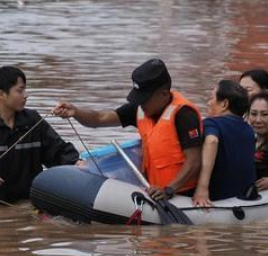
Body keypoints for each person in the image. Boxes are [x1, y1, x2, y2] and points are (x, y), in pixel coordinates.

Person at [53, 59, 203, 201]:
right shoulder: (139, 108)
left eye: (144, 99)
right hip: (154, 191)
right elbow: (100, 118)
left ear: (163, 94)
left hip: (181, 195)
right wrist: (76, 112)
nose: (140, 104)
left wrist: (169, 190)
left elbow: (194, 161)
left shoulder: (184, 115)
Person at [0, 66, 80, 204]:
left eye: (25, 90)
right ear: (1, 94)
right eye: (20, 90)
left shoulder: (33, 121)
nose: (26, 95)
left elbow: (57, 152)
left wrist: (76, 162)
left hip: (30, 203)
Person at [192, 80, 255, 207]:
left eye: (211, 98)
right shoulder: (249, 129)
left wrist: (202, 187)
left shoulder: (212, 123)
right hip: (242, 197)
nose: (208, 103)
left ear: (225, 104)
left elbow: (212, 141)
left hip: (216, 198)